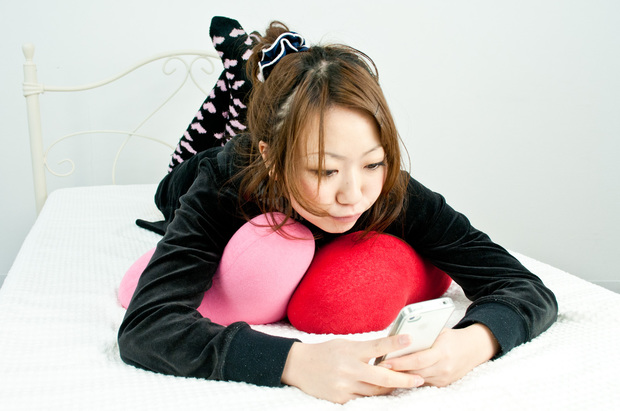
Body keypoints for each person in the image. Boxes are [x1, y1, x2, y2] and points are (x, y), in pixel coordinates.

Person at [118, 19, 558, 404]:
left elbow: (524, 286)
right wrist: (294, 362)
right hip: (194, 173)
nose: (353, 195)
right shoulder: (224, 183)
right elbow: (148, 325)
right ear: (273, 159)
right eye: (325, 170)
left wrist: (475, 342)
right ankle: (241, 82)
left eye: (373, 163)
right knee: (177, 181)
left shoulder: (389, 190)